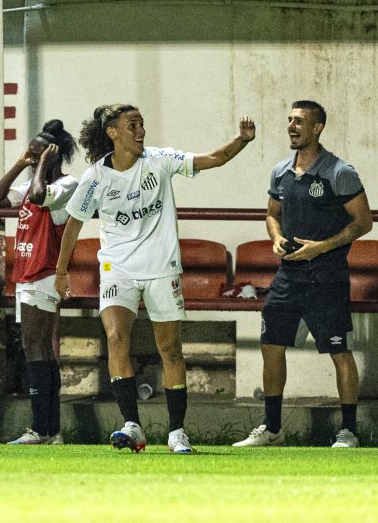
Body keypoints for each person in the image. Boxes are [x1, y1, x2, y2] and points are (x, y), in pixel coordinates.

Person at [55, 104, 256, 454]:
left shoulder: (159, 160)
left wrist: (241, 141)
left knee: (169, 349)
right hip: (118, 268)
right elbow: (73, 224)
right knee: (116, 336)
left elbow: (213, 160)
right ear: (113, 133)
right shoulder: (96, 178)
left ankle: (177, 431)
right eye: (132, 125)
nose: (140, 130)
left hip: (162, 267)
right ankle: (132, 424)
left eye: (142, 124)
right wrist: (60, 270)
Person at [232, 100, 372, 449]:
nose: (292, 127)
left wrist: (321, 247)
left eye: (300, 122)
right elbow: (271, 214)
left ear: (317, 127)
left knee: (339, 351)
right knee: (271, 346)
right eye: (290, 121)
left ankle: (349, 431)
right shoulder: (280, 171)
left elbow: (363, 222)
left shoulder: (339, 171)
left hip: (327, 276)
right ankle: (273, 427)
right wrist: (277, 237)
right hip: (288, 276)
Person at [0, 120, 78, 445]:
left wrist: (41, 166)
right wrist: (19, 165)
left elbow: (41, 197)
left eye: (40, 152)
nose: (34, 156)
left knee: (35, 347)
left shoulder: (67, 185)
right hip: (27, 271)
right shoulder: (29, 183)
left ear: (54, 155)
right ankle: (50, 430)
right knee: (39, 349)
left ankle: (41, 428)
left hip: (45, 271)